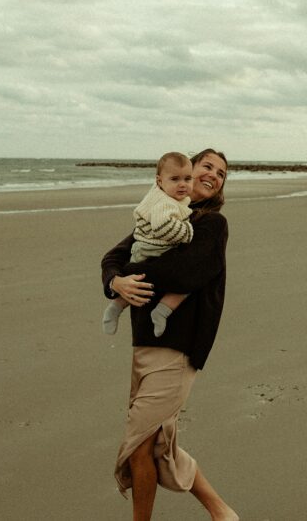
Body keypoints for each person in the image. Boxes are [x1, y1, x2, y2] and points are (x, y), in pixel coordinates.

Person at [101, 149, 239, 521]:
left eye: (222, 173)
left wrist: (132, 272)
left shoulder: (211, 225)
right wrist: (116, 281)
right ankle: (222, 512)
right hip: (144, 343)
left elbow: (186, 273)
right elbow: (113, 256)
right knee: (161, 445)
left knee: (138, 445)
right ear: (187, 172)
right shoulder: (160, 213)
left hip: (176, 349)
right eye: (207, 167)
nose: (214, 175)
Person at [102, 151, 196, 338]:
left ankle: (116, 306)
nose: (183, 184)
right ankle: (162, 310)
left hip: (144, 249)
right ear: (159, 182)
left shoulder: (158, 195)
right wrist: (188, 231)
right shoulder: (165, 203)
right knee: (189, 281)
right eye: (175, 179)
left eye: (187, 178)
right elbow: (163, 228)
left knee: (142, 284)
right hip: (154, 250)